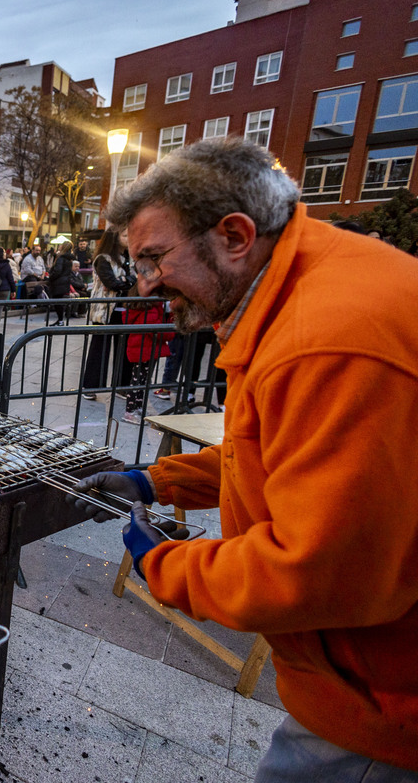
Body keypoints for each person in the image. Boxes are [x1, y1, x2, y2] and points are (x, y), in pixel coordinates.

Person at [70, 138, 418, 781]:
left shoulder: (326, 339)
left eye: (153, 259)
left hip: (383, 704)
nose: (145, 284)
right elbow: (279, 460)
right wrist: (157, 479)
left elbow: (317, 572)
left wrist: (165, 564)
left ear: (234, 235)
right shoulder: (302, 286)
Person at [80, 229, 134, 399]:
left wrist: (126, 281)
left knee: (124, 350)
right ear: (114, 239)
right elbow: (111, 283)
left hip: (124, 310)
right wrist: (126, 281)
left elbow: (135, 278)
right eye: (125, 235)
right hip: (104, 311)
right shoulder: (103, 259)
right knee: (99, 348)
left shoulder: (128, 258)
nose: (129, 238)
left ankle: (121, 386)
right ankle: (90, 386)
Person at [46, 247, 74, 325]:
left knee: (57, 302)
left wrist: (50, 277)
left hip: (58, 283)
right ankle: (60, 320)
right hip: (65, 282)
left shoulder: (61, 258)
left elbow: (57, 271)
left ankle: (60, 320)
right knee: (59, 302)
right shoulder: (69, 259)